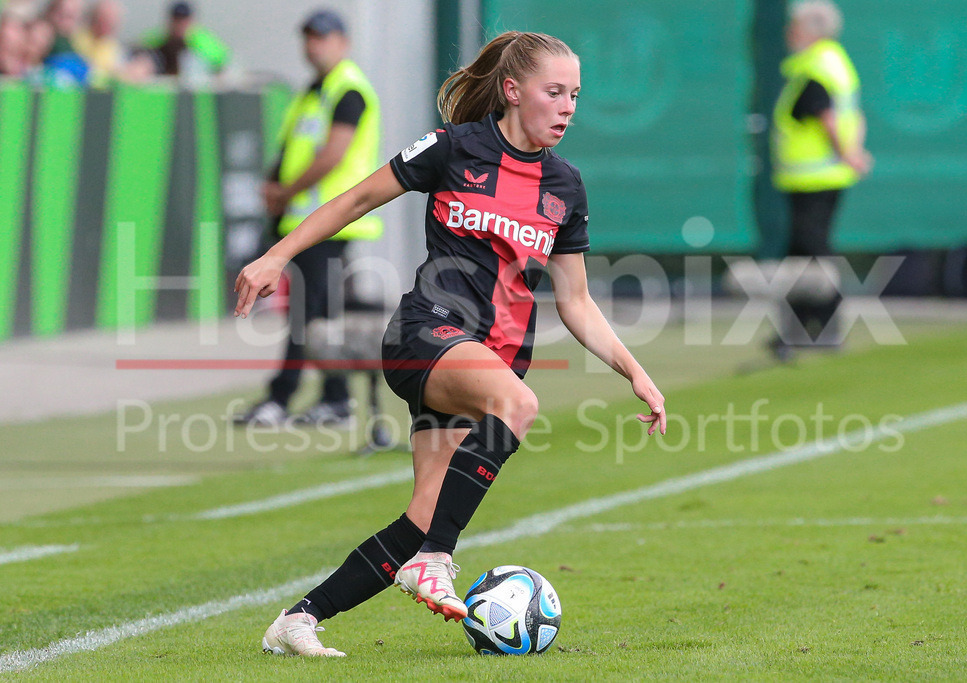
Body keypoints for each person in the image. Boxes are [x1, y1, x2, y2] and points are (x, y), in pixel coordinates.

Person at [235, 30, 667, 657]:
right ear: (514, 91)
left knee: (421, 518)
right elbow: (358, 197)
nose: (569, 106)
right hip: (425, 333)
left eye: (575, 94)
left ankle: (299, 619)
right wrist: (277, 255)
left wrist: (635, 371)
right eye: (555, 92)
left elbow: (575, 301)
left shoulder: (566, 186)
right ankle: (438, 557)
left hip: (486, 358)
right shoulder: (452, 148)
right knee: (517, 406)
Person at [233, 9, 383, 429]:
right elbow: (294, 148)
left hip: (328, 223)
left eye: (322, 36)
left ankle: (282, 399)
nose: (312, 44)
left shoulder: (347, 90)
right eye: (308, 37)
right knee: (318, 314)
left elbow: (333, 153)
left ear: (343, 41)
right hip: (306, 221)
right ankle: (335, 400)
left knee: (307, 313)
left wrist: (286, 191)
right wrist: (275, 186)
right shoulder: (314, 92)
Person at [769, 0, 872, 359]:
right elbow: (855, 115)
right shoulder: (834, 62)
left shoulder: (817, 65)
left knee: (813, 252)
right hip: (815, 177)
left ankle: (824, 327)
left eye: (795, 26)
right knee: (801, 253)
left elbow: (826, 115)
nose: (789, 33)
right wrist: (853, 152)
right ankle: (798, 329)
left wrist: (847, 154)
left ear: (811, 30)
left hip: (815, 178)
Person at [142, 1, 229, 78]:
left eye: (183, 20)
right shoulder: (160, 37)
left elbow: (221, 60)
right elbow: (141, 47)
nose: (180, 24)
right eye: (177, 20)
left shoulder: (201, 40)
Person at [73, 0, 125, 86]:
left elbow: (118, 72)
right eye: (105, 19)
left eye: (112, 20)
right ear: (94, 18)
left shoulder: (113, 46)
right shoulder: (78, 38)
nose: (109, 23)